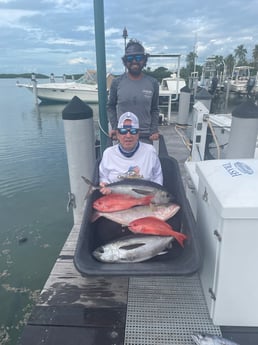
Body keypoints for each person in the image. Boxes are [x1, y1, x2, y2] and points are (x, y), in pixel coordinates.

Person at [107, 39, 160, 143]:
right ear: (125, 62)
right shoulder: (116, 82)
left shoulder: (153, 83)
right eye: (130, 58)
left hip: (145, 135)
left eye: (139, 57)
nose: (134, 61)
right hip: (124, 136)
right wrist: (114, 127)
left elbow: (154, 109)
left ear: (144, 60)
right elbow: (110, 106)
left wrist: (154, 130)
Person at [99, 112, 163, 194]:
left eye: (133, 131)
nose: (128, 135)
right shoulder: (108, 153)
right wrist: (104, 184)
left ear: (138, 134)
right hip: (115, 199)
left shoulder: (150, 151)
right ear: (117, 134)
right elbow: (103, 176)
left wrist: (156, 195)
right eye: (123, 131)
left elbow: (157, 177)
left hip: (145, 199)